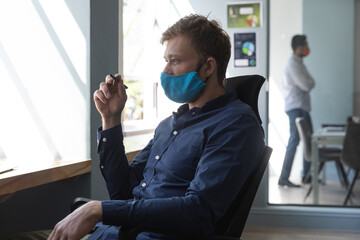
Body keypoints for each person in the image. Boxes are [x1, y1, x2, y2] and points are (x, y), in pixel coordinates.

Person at [49, 14, 265, 240]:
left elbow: (198, 212)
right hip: (110, 233)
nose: (166, 71)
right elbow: (122, 192)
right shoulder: (168, 126)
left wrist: (98, 209)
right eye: (166, 60)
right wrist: (111, 120)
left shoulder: (235, 124)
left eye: (175, 60)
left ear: (208, 66)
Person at [278, 35, 315, 188]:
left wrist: (309, 82)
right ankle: (283, 178)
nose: (307, 48)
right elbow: (308, 85)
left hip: (301, 106)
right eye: (306, 45)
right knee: (295, 140)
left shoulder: (299, 63)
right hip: (295, 107)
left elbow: (309, 82)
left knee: (309, 140)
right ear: (299, 48)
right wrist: (309, 82)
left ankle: (306, 176)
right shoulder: (292, 64)